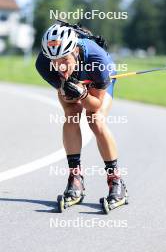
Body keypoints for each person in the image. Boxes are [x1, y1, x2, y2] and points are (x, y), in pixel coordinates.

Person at [35, 23, 127, 211]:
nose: (59, 66)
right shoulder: (44, 64)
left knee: (95, 119)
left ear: (75, 50)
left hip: (96, 78)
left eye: (64, 60)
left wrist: (83, 94)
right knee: (71, 114)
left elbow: (96, 104)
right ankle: (75, 177)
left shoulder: (98, 60)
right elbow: (66, 93)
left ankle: (115, 180)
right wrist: (67, 86)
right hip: (77, 79)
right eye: (55, 61)